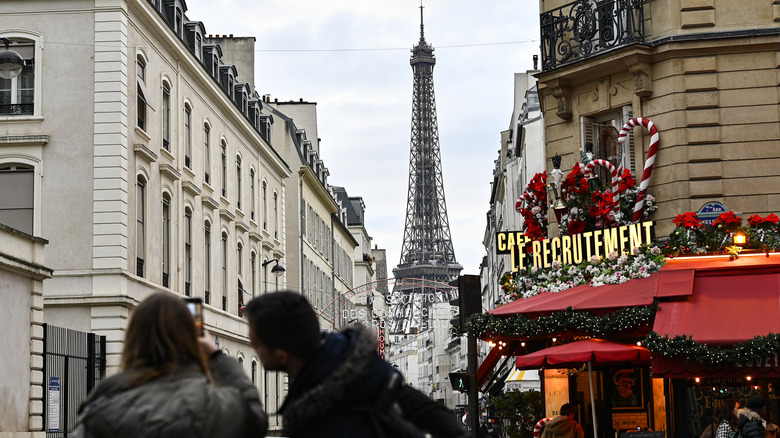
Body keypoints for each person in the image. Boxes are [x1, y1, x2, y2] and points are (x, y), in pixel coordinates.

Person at [243, 290, 469, 438]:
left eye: (256, 343)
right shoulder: (365, 368)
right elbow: (428, 412)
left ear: (282, 354)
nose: (253, 347)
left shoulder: (321, 420)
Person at [73, 293, 268, 438]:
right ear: (192, 342)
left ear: (134, 341)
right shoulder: (219, 407)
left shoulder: (101, 411)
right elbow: (255, 416)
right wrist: (215, 355)